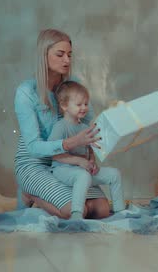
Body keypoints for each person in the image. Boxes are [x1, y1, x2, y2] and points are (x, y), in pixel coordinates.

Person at [14, 28, 110, 219]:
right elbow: (33, 146)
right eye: (60, 54)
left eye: (69, 54)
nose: (67, 60)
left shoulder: (73, 86)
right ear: (44, 55)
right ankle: (29, 193)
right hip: (35, 163)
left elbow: (89, 129)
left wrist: (90, 158)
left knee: (101, 209)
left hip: (67, 164)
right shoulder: (26, 92)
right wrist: (71, 143)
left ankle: (53, 197)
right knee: (75, 210)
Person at [48, 80, 125, 219]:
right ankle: (76, 214)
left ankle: (120, 211)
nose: (83, 107)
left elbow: (89, 151)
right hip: (62, 169)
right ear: (64, 105)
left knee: (114, 174)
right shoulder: (60, 127)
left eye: (85, 104)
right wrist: (79, 161)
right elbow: (54, 155)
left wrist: (92, 162)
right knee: (83, 176)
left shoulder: (85, 127)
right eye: (79, 104)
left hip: (82, 169)